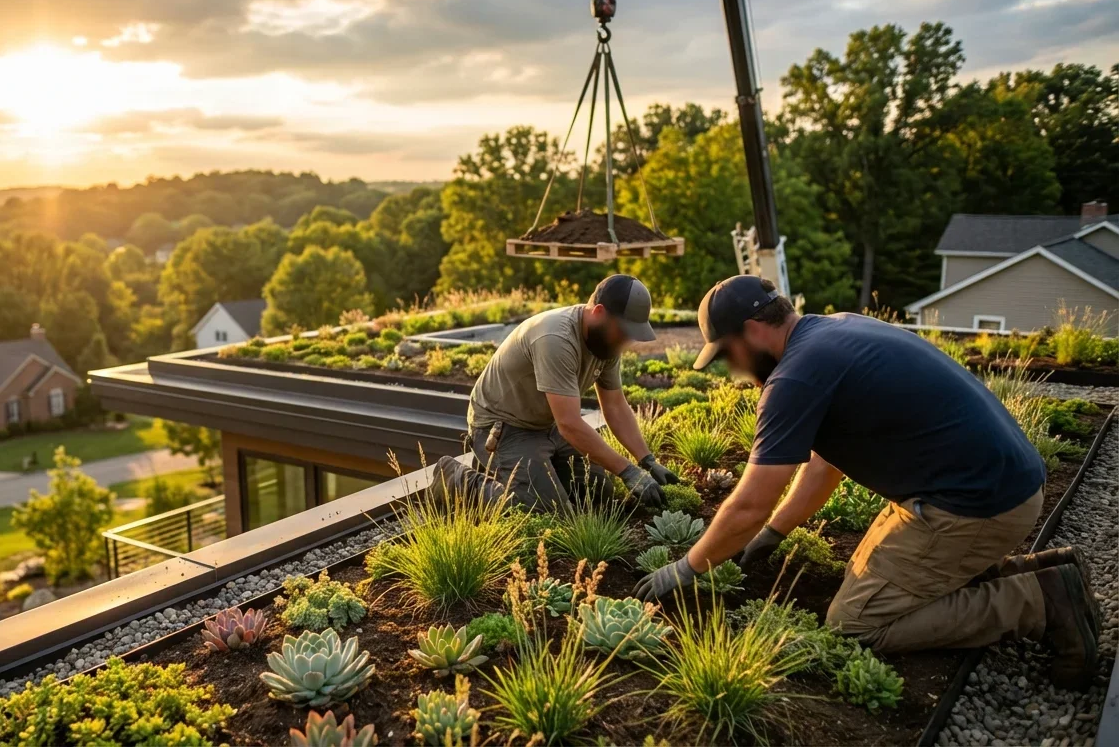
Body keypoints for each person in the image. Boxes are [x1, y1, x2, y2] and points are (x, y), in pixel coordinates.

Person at [634, 275, 1101, 689]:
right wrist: (776, 532)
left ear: (753, 332)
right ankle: (1045, 571)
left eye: (727, 353)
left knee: (856, 623)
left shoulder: (795, 376)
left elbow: (750, 503)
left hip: (975, 505)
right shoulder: (836, 329)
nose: (732, 366)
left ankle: (1040, 602)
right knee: (871, 579)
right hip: (998, 485)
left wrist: (687, 568)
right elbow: (825, 465)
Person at [466, 274, 680, 508]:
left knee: (599, 494)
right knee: (547, 512)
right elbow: (569, 423)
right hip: (504, 426)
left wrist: (647, 460)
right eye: (624, 331)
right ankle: (458, 480)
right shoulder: (556, 338)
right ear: (598, 313)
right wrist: (628, 471)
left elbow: (615, 406)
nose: (627, 341)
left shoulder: (606, 343)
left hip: (547, 424)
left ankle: (536, 479)